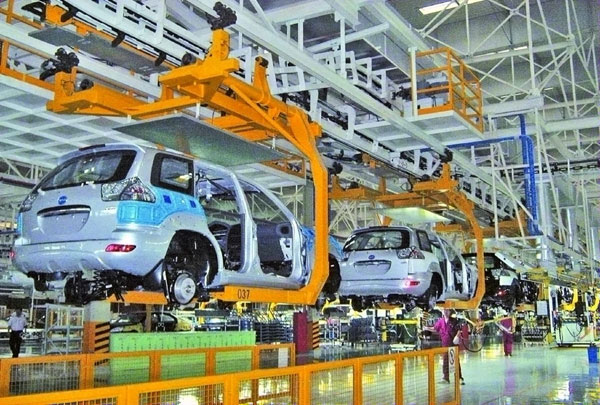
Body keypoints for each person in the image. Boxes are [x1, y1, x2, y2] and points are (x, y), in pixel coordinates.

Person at [424, 309, 464, 384]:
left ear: (450, 312)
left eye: (447, 310)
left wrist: (457, 336)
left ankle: (459, 378)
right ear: (442, 311)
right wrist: (427, 328)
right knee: (445, 361)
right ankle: (446, 378)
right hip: (445, 344)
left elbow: (459, 329)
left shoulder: (454, 321)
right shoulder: (440, 321)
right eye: (444, 310)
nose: (446, 312)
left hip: (453, 344)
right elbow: (435, 328)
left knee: (455, 361)